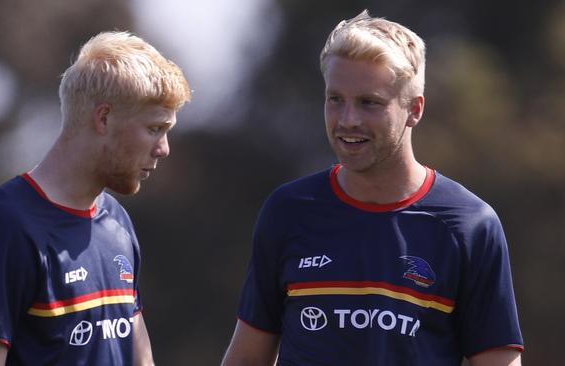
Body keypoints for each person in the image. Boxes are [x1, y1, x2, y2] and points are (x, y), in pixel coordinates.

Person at [221, 10, 523, 366]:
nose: (348, 120)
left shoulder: (470, 225)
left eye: (369, 103)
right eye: (335, 99)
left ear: (414, 109)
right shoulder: (288, 210)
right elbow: (247, 358)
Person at [0, 31, 191, 365]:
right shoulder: (4, 227)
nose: (163, 149)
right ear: (103, 118)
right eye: (154, 129)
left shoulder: (117, 223)